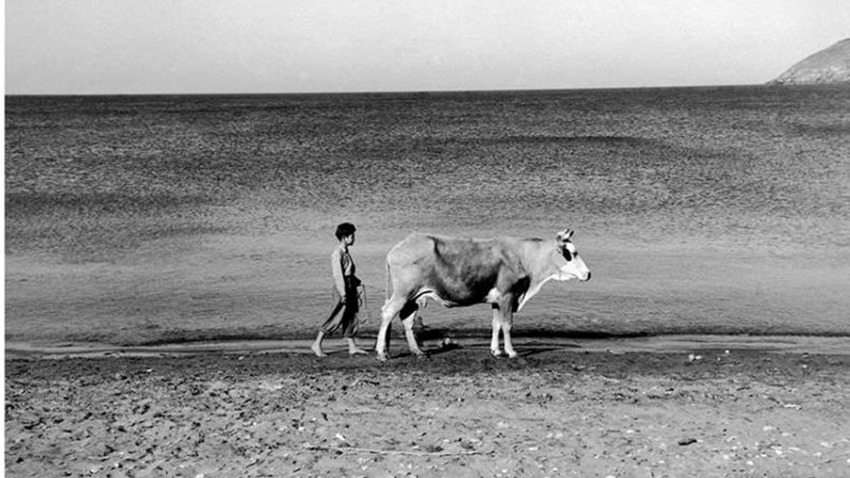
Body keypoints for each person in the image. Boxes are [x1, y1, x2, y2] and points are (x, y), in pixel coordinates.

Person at [311, 222, 369, 357]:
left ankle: (352, 346)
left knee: (350, 316)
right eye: (352, 236)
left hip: (350, 286)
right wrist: (343, 293)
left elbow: (348, 273)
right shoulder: (337, 254)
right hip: (342, 287)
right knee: (336, 316)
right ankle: (317, 344)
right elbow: (338, 275)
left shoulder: (345, 252)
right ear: (344, 237)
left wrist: (356, 282)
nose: (354, 238)